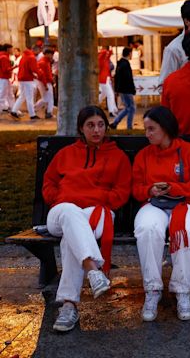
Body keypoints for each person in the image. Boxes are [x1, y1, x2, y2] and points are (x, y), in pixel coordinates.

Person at [43, 106, 132, 332]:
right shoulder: (65, 154)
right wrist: (62, 199)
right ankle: (93, 270)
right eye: (90, 125)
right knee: (71, 213)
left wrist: (98, 198)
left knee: (70, 237)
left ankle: (69, 305)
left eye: (101, 125)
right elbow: (49, 184)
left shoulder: (117, 156)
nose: (96, 130)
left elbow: (122, 192)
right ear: (81, 129)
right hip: (62, 212)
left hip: (98, 211)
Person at [132, 106, 190, 321]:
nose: (147, 134)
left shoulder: (188, 151)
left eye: (152, 129)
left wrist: (175, 188)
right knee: (147, 228)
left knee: (185, 231)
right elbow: (136, 188)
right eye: (146, 129)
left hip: (185, 203)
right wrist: (150, 190)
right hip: (154, 204)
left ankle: (182, 291)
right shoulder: (144, 155)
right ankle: (152, 290)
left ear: (165, 128)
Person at [10, 47, 42, 120]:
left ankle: (14, 111)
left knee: (22, 96)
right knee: (29, 97)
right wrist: (40, 74)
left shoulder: (23, 57)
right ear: (35, 50)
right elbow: (34, 69)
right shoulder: (31, 57)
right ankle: (32, 115)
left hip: (21, 79)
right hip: (28, 80)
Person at [111, 47, 136, 130]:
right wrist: (132, 89)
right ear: (129, 53)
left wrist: (117, 89)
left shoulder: (121, 63)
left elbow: (117, 77)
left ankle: (115, 123)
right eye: (131, 53)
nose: (132, 55)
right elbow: (128, 78)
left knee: (128, 108)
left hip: (123, 89)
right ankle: (129, 127)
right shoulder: (125, 64)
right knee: (131, 108)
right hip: (126, 89)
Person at [34, 48, 55, 119]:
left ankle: (47, 112)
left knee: (47, 98)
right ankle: (47, 112)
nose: (52, 56)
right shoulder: (43, 62)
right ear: (47, 54)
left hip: (44, 82)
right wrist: (46, 84)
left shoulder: (45, 61)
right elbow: (43, 75)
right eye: (51, 54)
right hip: (44, 82)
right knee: (48, 98)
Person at [98, 46, 118, 117]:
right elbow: (102, 55)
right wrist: (105, 52)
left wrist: (110, 51)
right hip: (103, 80)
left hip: (106, 79)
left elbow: (108, 54)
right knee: (110, 95)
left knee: (103, 95)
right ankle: (111, 111)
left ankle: (94, 104)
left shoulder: (106, 59)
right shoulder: (100, 59)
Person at [0, 44, 14, 112]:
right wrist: (15, 67)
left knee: (9, 94)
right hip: (3, 78)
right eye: (11, 49)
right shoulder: (4, 57)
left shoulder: (4, 56)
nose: (12, 50)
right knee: (3, 94)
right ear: (8, 49)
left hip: (4, 78)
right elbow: (5, 70)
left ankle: (14, 109)